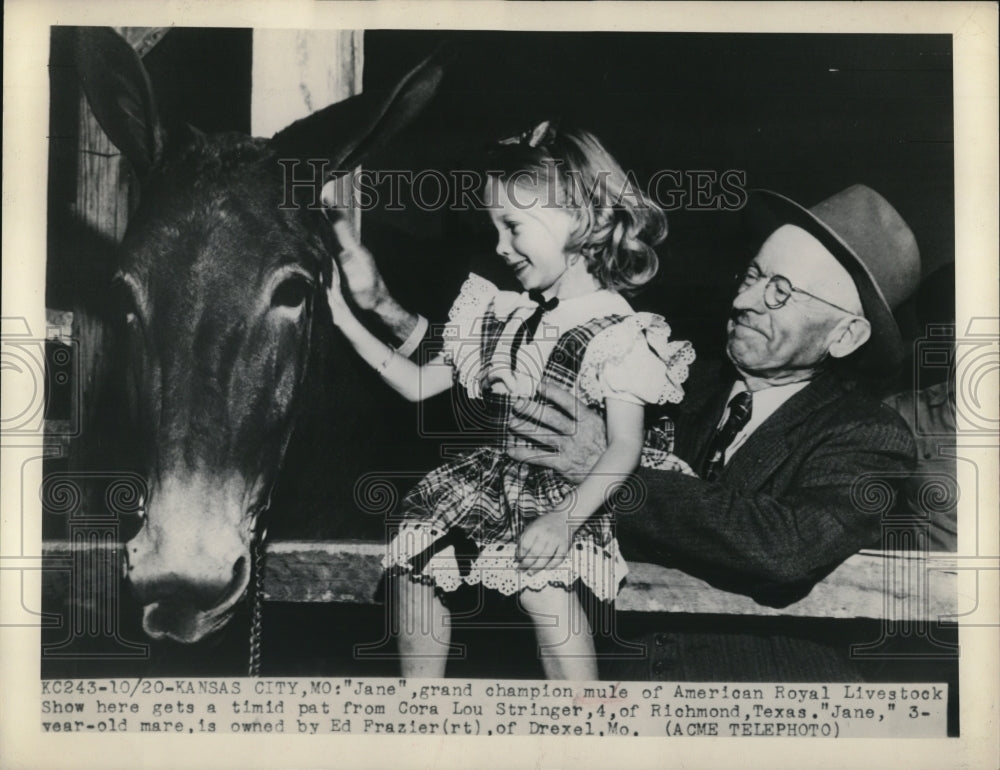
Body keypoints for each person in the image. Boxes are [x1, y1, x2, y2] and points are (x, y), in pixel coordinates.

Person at [335, 182, 921, 682]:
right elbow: (496, 367)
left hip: (760, 712)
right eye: (752, 274)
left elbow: (785, 549)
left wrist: (610, 467)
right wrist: (381, 305)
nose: (743, 300)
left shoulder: (868, 435)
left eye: (780, 292)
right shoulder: (671, 374)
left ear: (844, 336)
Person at [325, 122, 694, 679]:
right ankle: (419, 712)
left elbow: (624, 447)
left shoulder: (619, 331)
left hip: (571, 493)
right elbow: (417, 384)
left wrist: (565, 521)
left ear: (584, 216)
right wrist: (343, 317)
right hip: (493, 481)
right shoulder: (502, 313)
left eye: (513, 226)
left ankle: (582, 717)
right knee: (415, 557)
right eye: (495, 227)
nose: (500, 246)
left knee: (541, 587)